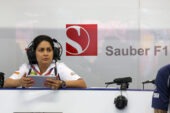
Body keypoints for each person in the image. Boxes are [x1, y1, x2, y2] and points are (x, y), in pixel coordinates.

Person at [4, 35, 87, 89]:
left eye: (49, 50)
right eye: (41, 50)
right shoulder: (26, 67)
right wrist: (19, 82)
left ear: (54, 52)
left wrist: (62, 83)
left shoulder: (59, 67)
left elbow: (82, 84)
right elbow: (6, 83)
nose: (46, 54)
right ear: (33, 52)